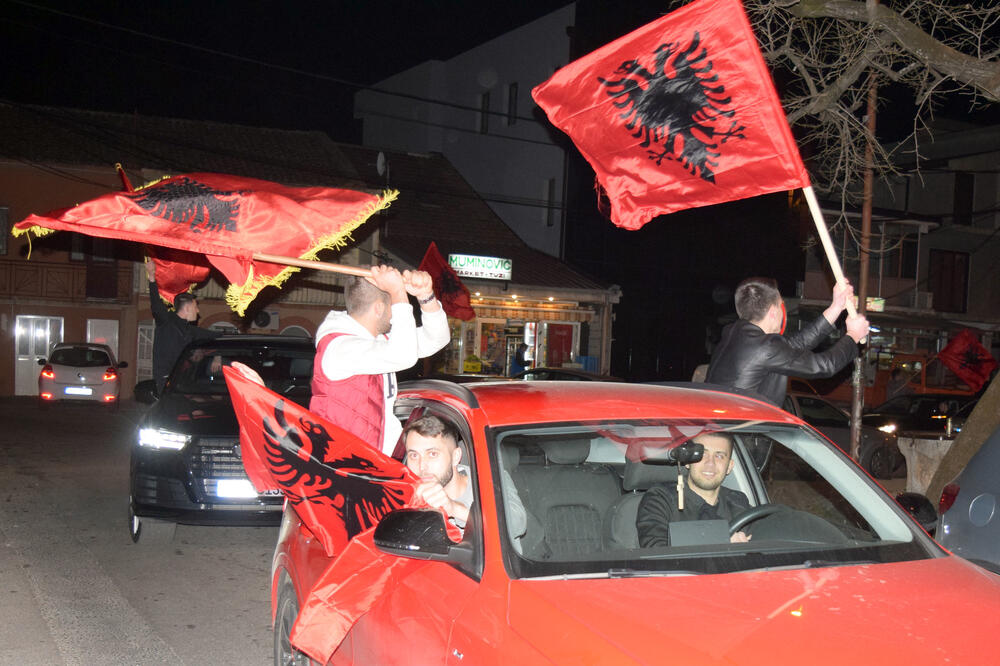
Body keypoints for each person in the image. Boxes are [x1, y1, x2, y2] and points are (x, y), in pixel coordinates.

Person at [310, 265, 450, 455]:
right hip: (345, 463)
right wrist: (398, 293)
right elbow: (403, 355)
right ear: (379, 308)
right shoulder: (339, 349)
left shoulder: (374, 342)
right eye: (393, 306)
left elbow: (437, 339)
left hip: (376, 461)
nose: (394, 315)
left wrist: (425, 296)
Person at [706, 278, 870, 407]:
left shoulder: (735, 335)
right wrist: (853, 336)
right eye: (781, 305)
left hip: (728, 427)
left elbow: (797, 343)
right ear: (773, 312)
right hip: (746, 433)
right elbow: (824, 365)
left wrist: (836, 307)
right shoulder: (765, 348)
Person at [635, 432, 751, 547]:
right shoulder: (660, 499)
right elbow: (656, 549)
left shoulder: (737, 502)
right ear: (687, 462)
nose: (710, 463)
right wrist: (721, 542)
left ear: (729, 466)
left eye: (719, 456)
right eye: (702, 454)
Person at [146, 260, 221, 395]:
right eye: (195, 307)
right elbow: (156, 303)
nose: (198, 311)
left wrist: (217, 356)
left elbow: (217, 337)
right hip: (167, 383)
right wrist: (152, 277)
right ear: (187, 308)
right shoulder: (166, 322)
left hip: (183, 382)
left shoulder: (190, 330)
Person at [402, 414, 473, 529]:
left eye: (432, 454)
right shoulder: (404, 496)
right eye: (414, 455)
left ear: (455, 457)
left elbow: (503, 528)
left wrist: (454, 509)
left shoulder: (488, 484)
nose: (422, 467)